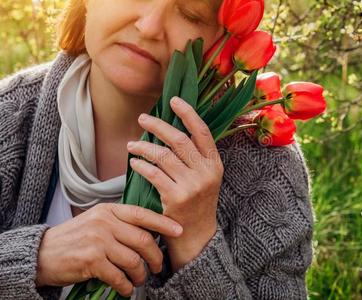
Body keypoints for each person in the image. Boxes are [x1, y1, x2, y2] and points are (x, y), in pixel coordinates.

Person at [0, 0, 314, 299]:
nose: (149, 26)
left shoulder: (266, 170)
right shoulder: (7, 117)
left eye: (190, 13)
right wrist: (37, 259)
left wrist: (196, 241)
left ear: (225, 39)